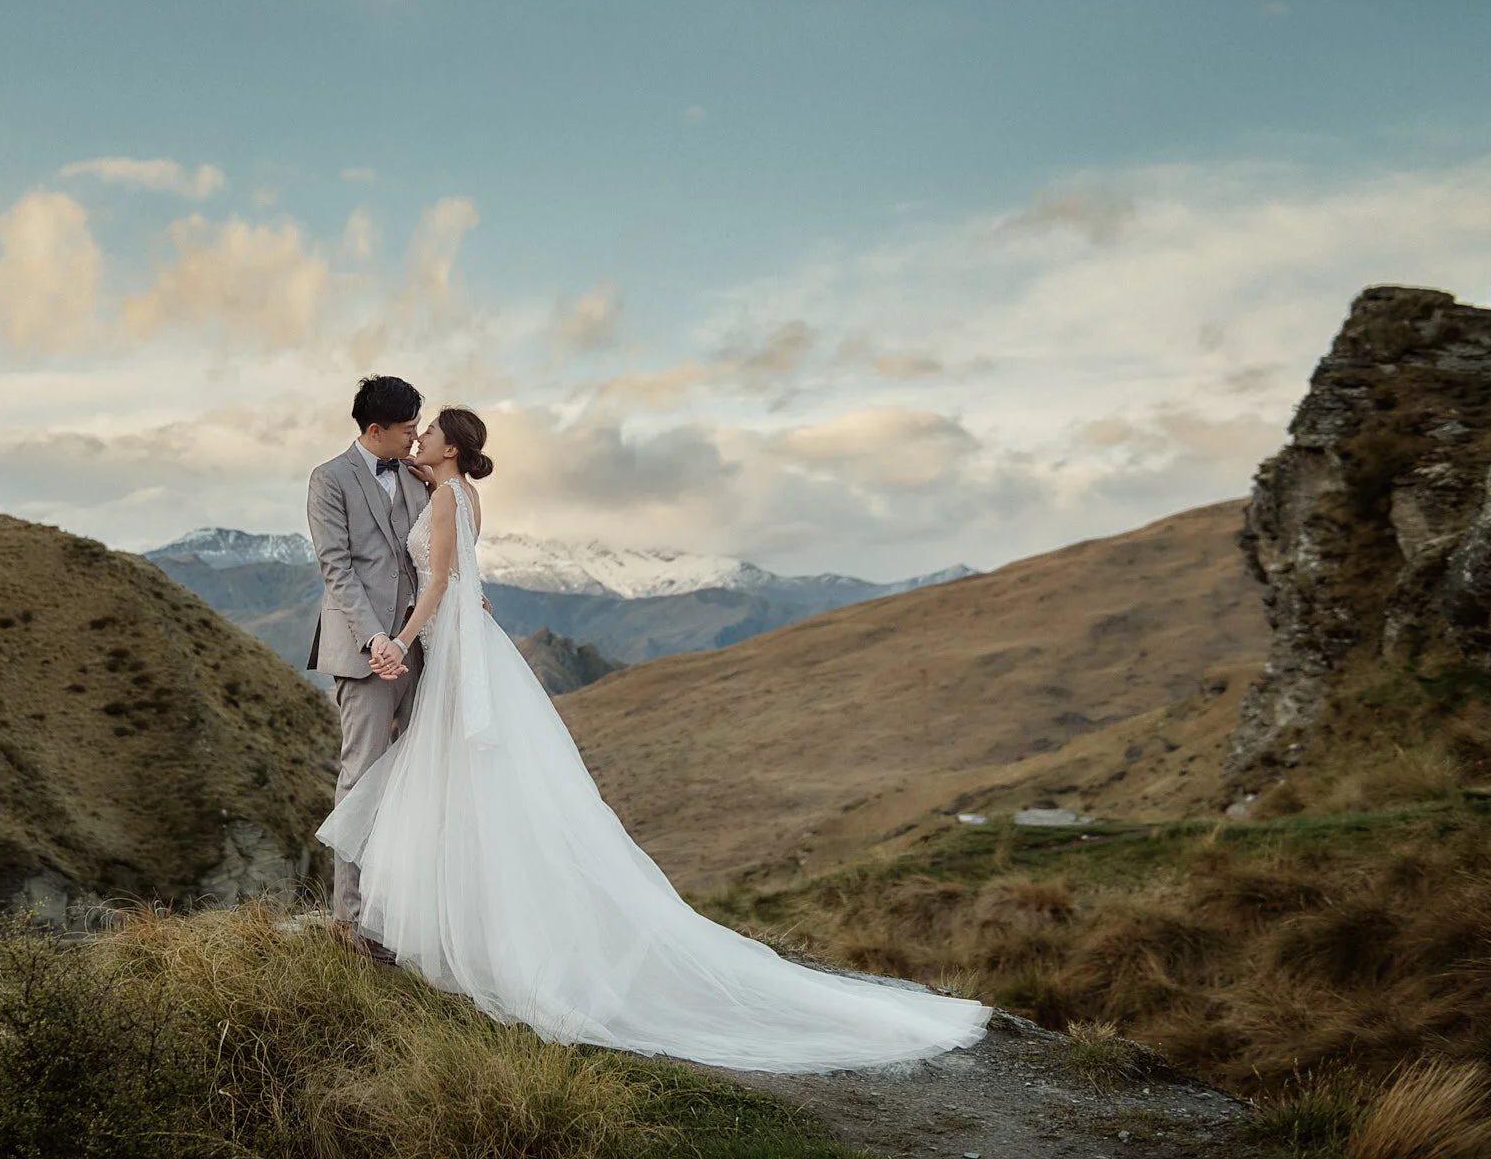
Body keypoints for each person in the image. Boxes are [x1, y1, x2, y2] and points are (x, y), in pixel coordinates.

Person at [319, 405, 992, 1074]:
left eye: (430, 432)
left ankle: (465, 936)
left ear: (451, 448)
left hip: (450, 647)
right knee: (477, 785)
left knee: (458, 782)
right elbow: (468, 579)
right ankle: (474, 929)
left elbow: (438, 581)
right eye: (417, 429)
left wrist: (398, 643)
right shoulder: (464, 497)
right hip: (470, 643)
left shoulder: (442, 501)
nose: (421, 437)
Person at [305, 374, 431, 957]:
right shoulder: (329, 480)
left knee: (423, 777)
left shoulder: (413, 474)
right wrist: (378, 640)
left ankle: (405, 911)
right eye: (407, 431)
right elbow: (337, 568)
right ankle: (351, 921)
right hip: (366, 656)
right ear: (374, 430)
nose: (414, 439)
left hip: (425, 646)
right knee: (361, 779)